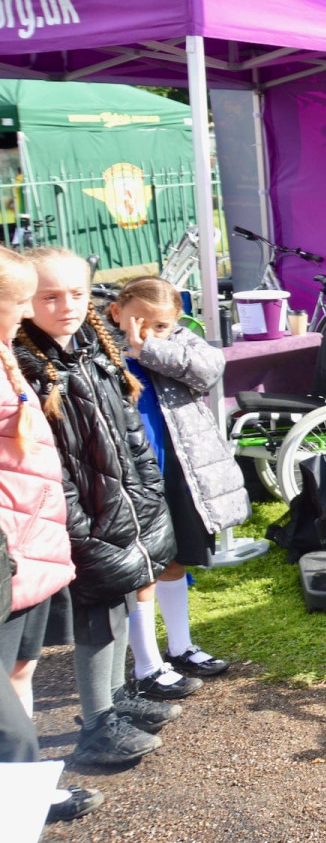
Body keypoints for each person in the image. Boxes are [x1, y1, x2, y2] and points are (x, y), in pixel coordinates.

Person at [14, 248, 177, 764]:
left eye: (78, 294)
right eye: (50, 297)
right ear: (25, 302)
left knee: (125, 600)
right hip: (80, 516)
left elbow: (129, 428)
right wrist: (79, 526)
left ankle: (115, 699)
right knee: (97, 617)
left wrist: (149, 492)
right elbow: (49, 464)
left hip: (122, 503)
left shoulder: (92, 346)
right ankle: (97, 724)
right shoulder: (25, 365)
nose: (67, 306)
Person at [0, 247, 103, 823]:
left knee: (21, 671)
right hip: (11, 545)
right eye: (17, 306)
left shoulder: (5, 357)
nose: (21, 319)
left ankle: (26, 792)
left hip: (30, 542)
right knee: (4, 720)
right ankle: (14, 804)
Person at [107, 277, 249, 686]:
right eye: (139, 322)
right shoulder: (104, 354)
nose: (149, 332)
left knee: (175, 557)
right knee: (142, 568)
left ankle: (181, 646)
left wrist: (147, 347)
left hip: (178, 467)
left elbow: (209, 369)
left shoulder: (180, 344)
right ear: (117, 314)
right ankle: (146, 663)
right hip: (130, 474)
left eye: (161, 326)